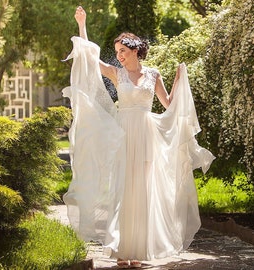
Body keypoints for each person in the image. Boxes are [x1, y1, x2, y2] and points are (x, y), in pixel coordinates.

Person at [63, 6, 215, 268]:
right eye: (117, 51)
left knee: (142, 192)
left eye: (123, 50)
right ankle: (121, 251)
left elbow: (168, 104)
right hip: (123, 134)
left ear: (135, 50)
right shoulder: (116, 73)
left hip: (146, 136)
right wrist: (82, 25)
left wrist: (180, 80)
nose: (119, 56)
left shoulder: (153, 74)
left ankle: (138, 251)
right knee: (122, 190)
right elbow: (90, 58)